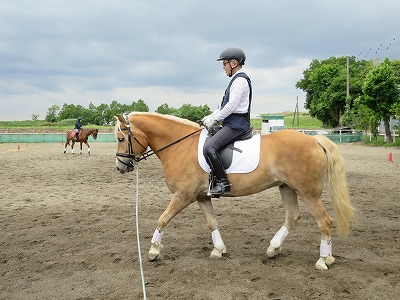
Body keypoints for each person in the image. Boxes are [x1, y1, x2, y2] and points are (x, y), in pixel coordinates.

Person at [202, 48, 252, 196]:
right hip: (232, 123)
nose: (223, 67)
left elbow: (232, 106)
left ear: (234, 63)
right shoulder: (236, 80)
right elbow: (224, 106)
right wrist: (210, 116)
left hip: (236, 124)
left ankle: (223, 183)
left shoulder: (240, 80)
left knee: (209, 147)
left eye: (225, 64)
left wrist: (214, 119)